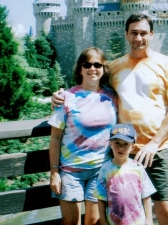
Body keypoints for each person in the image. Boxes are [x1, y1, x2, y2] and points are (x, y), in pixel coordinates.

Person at [52, 14, 168, 225]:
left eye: (143, 33)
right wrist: (59, 97)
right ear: (126, 34)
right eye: (133, 32)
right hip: (123, 152)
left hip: (159, 148)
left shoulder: (167, 64)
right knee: (124, 213)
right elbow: (91, 88)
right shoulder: (114, 68)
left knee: (165, 210)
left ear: (151, 35)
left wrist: (153, 144)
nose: (138, 38)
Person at [48, 47, 117, 225]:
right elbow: (55, 138)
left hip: (100, 170)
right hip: (71, 172)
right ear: (80, 69)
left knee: (93, 221)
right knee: (71, 222)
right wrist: (54, 173)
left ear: (103, 68)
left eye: (97, 64)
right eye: (87, 64)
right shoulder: (66, 98)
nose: (92, 68)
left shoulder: (112, 96)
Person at [95, 123, 156, 225]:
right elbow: (100, 197)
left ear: (132, 146)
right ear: (110, 144)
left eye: (126, 144)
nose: (121, 148)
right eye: (117, 143)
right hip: (114, 221)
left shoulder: (138, 168)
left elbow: (146, 195)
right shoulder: (105, 169)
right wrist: (103, 219)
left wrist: (149, 219)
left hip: (137, 221)